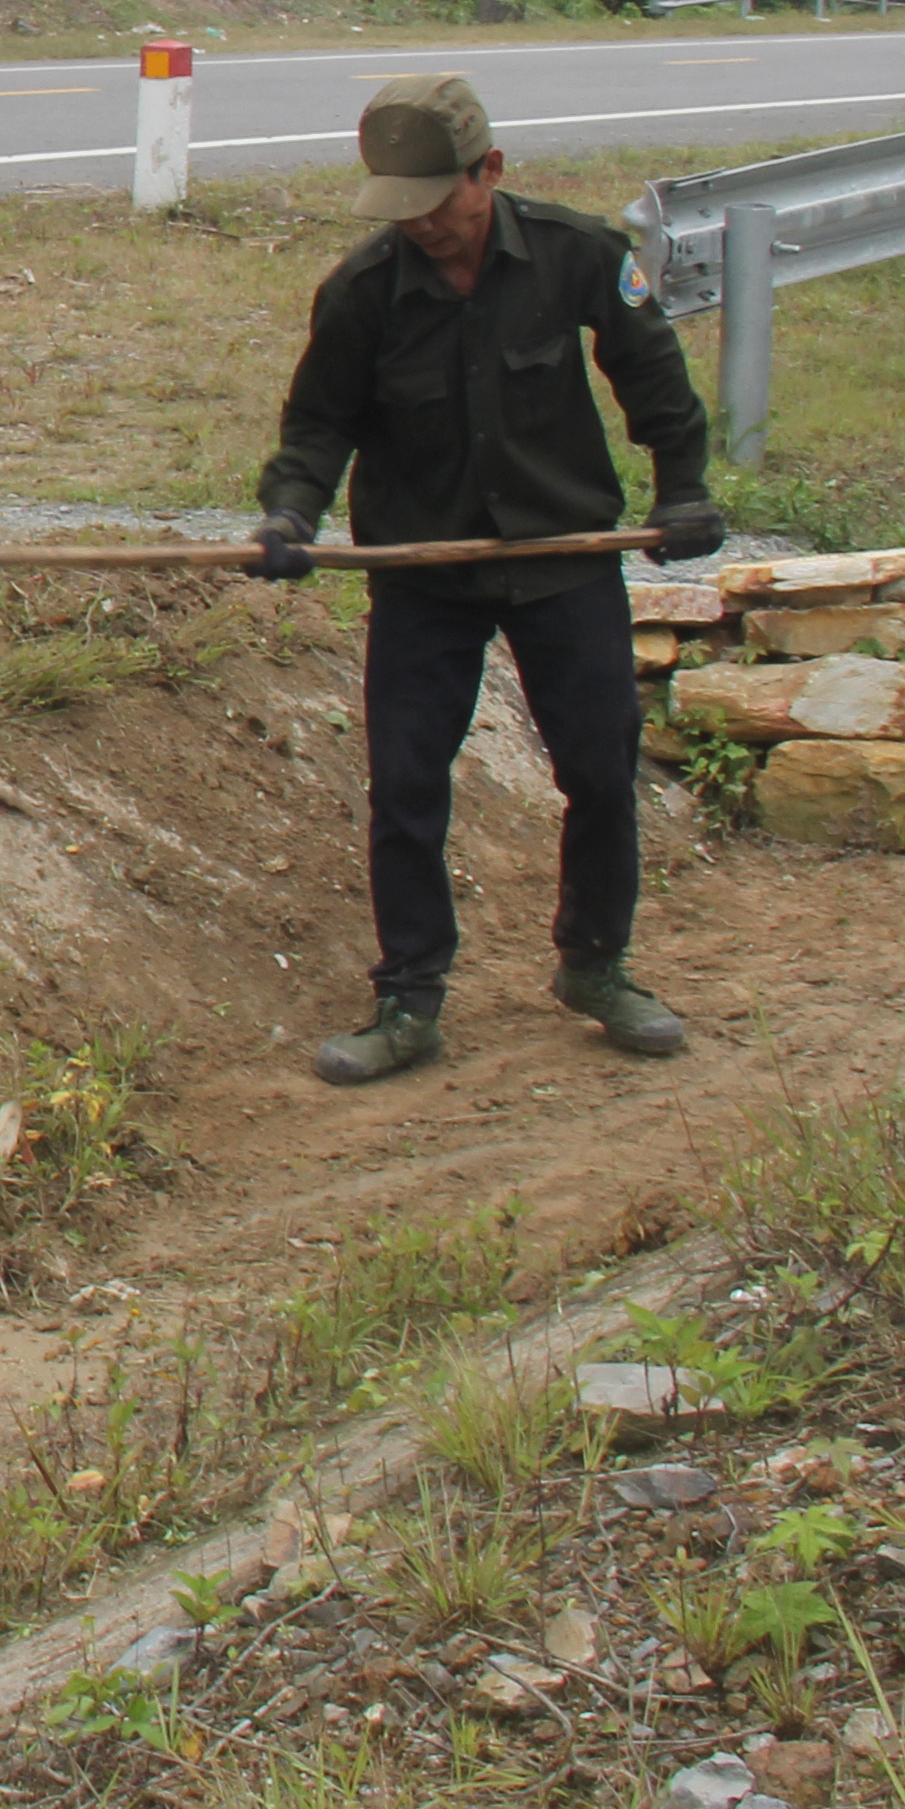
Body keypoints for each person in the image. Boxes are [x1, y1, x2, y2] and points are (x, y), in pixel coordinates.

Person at [251, 74, 722, 1088]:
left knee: (600, 770)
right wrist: (291, 511)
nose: (421, 225)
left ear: (490, 173)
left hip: (562, 565)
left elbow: (653, 377)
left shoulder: (577, 254)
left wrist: (683, 490)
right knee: (409, 787)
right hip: (424, 575)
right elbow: (318, 425)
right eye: (402, 207)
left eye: (438, 200)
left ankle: (596, 967)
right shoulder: (363, 292)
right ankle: (409, 996)